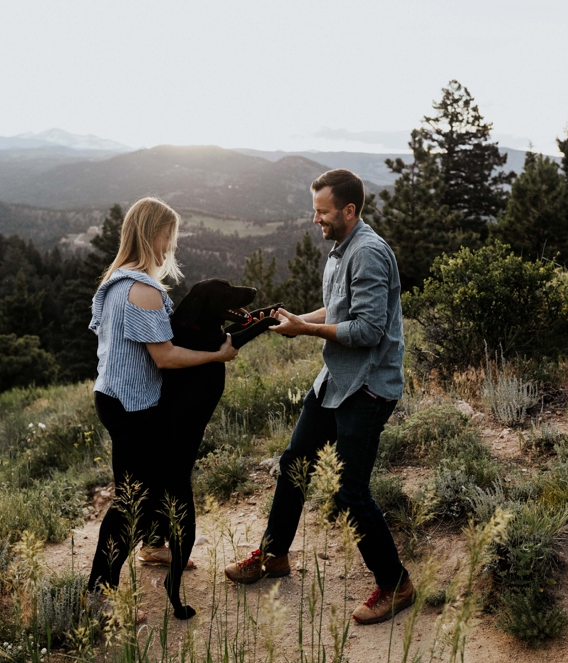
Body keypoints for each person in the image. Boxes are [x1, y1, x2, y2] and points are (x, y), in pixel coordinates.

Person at [224, 169, 413, 625]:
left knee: (350, 492)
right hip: (334, 380)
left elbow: (367, 330)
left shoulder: (368, 253)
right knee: (294, 464)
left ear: (349, 210)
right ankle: (273, 555)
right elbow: (341, 309)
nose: (315, 219)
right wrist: (295, 318)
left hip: (366, 388)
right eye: (314, 210)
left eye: (323, 211)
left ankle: (395, 583)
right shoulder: (340, 250)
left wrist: (306, 330)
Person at [88, 196, 238, 620]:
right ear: (153, 233)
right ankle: (98, 599)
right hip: (133, 405)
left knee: (144, 483)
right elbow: (166, 357)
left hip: (112, 395)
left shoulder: (115, 281)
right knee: (132, 500)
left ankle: (154, 547)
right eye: (168, 234)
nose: (170, 243)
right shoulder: (144, 290)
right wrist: (218, 356)